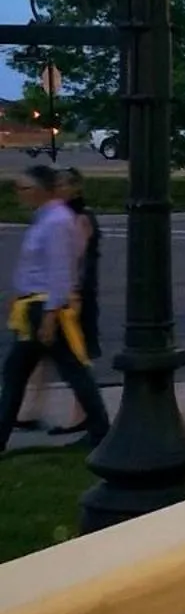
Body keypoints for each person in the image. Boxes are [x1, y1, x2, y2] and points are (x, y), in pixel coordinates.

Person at [0, 164, 109, 453]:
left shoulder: (57, 221)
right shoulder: (46, 219)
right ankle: (100, 430)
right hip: (35, 306)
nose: (19, 194)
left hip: (47, 308)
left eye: (23, 188)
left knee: (69, 371)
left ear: (40, 190)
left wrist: (49, 316)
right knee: (18, 372)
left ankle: (101, 430)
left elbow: (62, 270)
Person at [47, 169, 103, 436]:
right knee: (44, 355)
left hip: (75, 297)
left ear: (75, 188)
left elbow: (75, 259)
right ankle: (25, 411)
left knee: (77, 356)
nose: (56, 189)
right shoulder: (61, 217)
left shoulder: (80, 218)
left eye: (61, 184)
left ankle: (83, 416)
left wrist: (72, 294)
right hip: (64, 294)